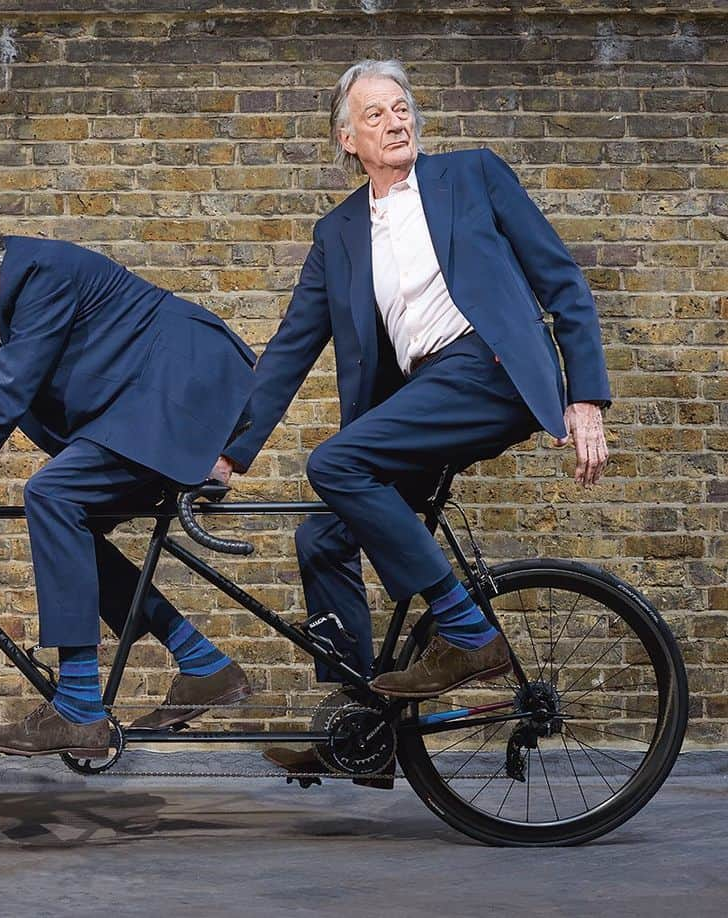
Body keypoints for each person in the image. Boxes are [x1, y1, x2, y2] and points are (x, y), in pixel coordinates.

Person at [211, 60, 610, 776]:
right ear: (346, 138)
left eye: (402, 108)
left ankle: (466, 633)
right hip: (424, 396)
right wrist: (230, 454)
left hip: (486, 369)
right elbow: (290, 349)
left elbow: (562, 279)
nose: (396, 122)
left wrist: (587, 395)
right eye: (376, 114)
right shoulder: (337, 234)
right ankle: (357, 729)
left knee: (334, 462)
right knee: (322, 538)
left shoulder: (472, 175)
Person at [0, 196, 256, 758]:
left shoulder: (39, 275)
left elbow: (7, 399)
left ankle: (80, 709)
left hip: (183, 390)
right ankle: (203, 663)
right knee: (68, 523)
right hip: (138, 412)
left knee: (52, 493)